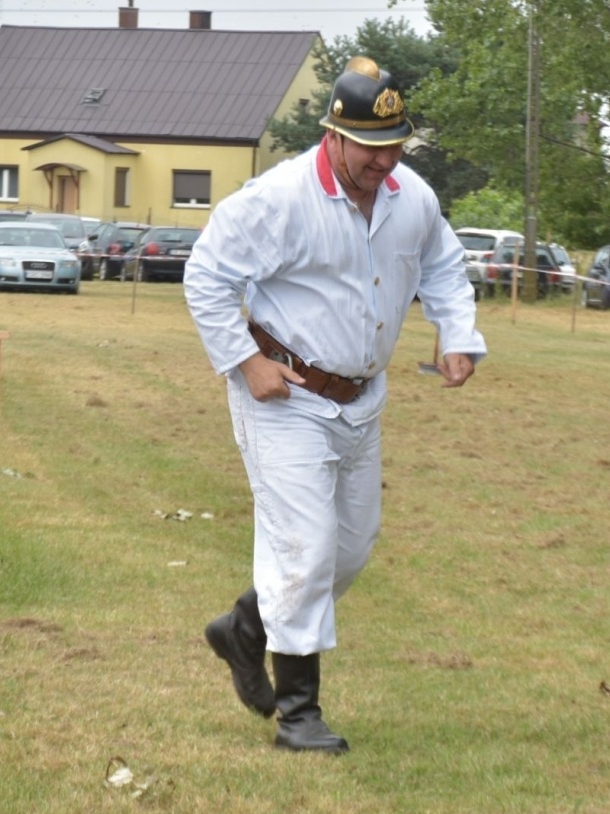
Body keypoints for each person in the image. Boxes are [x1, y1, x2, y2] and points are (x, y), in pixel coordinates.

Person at [183, 56, 486, 753]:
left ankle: (246, 629)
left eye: (396, 146)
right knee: (305, 547)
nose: (387, 162)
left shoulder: (413, 198)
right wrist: (243, 359)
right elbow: (206, 273)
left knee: (349, 548)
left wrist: (457, 335)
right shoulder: (280, 197)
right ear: (335, 136)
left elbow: (441, 264)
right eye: (373, 150)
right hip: (284, 395)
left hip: (361, 400)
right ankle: (299, 715)